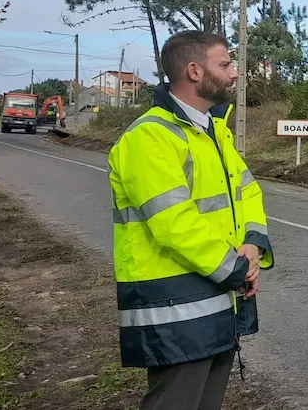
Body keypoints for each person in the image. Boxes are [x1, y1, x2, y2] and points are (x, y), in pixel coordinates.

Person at [107, 31, 274, 410]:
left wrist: (253, 245)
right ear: (195, 71)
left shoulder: (213, 131)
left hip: (216, 296)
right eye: (226, 64)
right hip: (174, 305)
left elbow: (248, 192)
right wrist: (237, 268)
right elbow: (173, 223)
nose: (234, 73)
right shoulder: (149, 138)